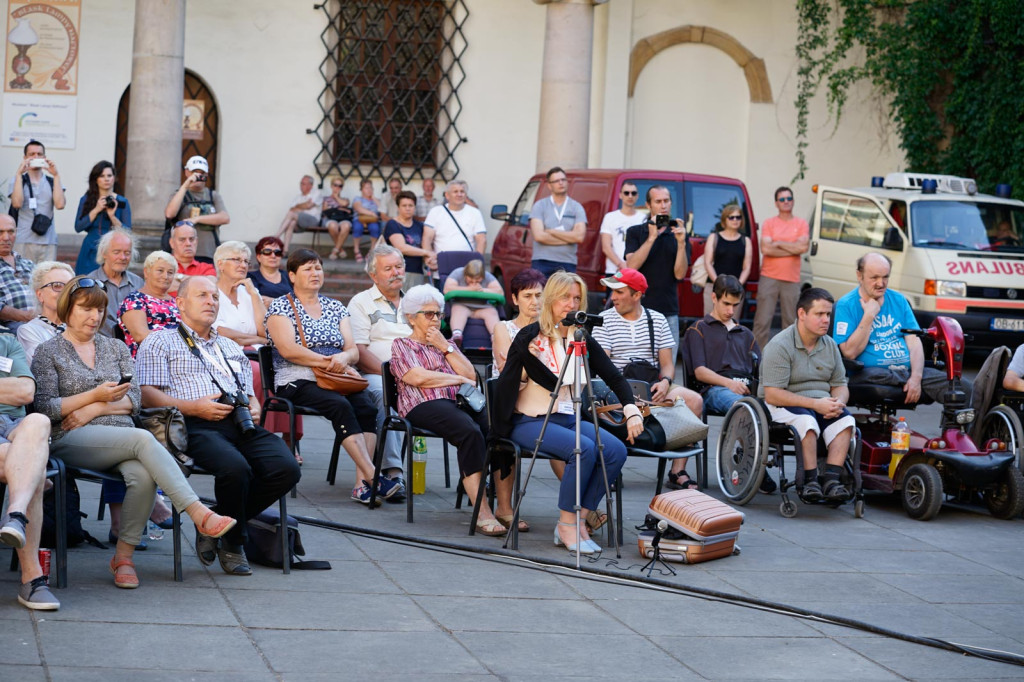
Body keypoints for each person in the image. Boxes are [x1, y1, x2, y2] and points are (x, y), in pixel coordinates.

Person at [32, 276, 237, 588]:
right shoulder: (48, 352)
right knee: (143, 439)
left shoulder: (115, 347)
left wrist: (94, 408)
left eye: (99, 310)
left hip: (121, 438)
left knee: (142, 475)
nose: (94, 317)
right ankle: (198, 512)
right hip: (69, 438)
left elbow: (136, 401)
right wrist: (95, 396)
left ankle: (123, 558)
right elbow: (45, 408)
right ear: (67, 309)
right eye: (86, 309)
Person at [137, 276, 301, 576]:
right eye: (202, 295)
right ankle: (234, 543)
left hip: (239, 422)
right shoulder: (160, 340)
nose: (211, 301)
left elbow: (246, 390)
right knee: (235, 468)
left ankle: (215, 524)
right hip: (190, 424)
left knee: (287, 468)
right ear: (181, 303)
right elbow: (147, 395)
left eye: (214, 297)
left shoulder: (228, 345)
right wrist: (192, 406)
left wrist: (252, 402)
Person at [495, 272, 642, 554]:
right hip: (529, 420)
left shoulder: (581, 337)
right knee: (583, 449)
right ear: (550, 299)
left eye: (577, 298)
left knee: (614, 450)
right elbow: (546, 381)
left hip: (567, 418)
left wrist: (632, 409)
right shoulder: (530, 336)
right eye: (565, 297)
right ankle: (565, 523)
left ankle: (579, 519)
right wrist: (530, 357)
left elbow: (614, 376)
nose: (571, 304)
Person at [265, 250, 391, 504]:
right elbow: (288, 350)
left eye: (318, 268)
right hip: (296, 379)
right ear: (292, 275)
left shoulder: (335, 307)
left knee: (366, 406)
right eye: (308, 269)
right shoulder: (280, 306)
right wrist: (328, 362)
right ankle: (372, 475)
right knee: (339, 405)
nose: (315, 273)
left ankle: (361, 485)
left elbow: (353, 349)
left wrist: (343, 360)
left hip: (336, 376)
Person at [391, 284, 516, 535]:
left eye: (439, 314)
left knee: (500, 429)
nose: (436, 319)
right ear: (410, 318)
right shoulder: (402, 345)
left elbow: (471, 374)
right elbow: (417, 378)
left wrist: (445, 348)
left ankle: (504, 508)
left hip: (459, 402)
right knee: (468, 432)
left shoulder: (446, 344)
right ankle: (482, 512)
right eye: (429, 314)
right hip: (421, 403)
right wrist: (455, 380)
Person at [592, 268, 704, 490]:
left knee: (694, 401)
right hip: (615, 387)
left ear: (637, 295)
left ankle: (677, 470)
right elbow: (602, 365)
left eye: (619, 292)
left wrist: (666, 382)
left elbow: (668, 365)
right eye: (612, 291)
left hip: (651, 387)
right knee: (597, 402)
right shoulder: (603, 320)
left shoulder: (657, 319)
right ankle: (611, 465)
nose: (612, 297)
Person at [834, 252, 971, 403]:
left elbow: (914, 342)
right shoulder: (846, 305)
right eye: (874, 278)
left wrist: (916, 378)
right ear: (859, 276)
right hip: (871, 374)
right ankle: (906, 377)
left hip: (906, 372)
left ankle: (956, 425)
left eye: (885, 277)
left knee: (962, 387)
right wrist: (868, 316)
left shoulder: (899, 300)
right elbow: (849, 353)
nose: (881, 283)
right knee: (873, 374)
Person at [759, 287, 855, 502]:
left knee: (846, 420)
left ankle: (832, 480)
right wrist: (815, 404)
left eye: (828, 314)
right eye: (819, 314)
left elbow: (840, 384)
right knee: (806, 420)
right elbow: (773, 394)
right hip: (785, 402)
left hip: (820, 402)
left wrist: (838, 403)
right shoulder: (780, 345)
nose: (826, 320)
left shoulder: (830, 345)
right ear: (802, 314)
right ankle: (809, 481)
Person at [682, 275, 775, 494]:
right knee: (747, 407)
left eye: (735, 305)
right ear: (713, 297)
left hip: (746, 390)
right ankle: (754, 466)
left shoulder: (745, 334)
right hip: (714, 389)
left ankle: (752, 462)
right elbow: (699, 371)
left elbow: (761, 370)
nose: (731, 310)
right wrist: (729, 383)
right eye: (726, 304)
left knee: (763, 407)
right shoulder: (699, 329)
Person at [0, 333, 60, 609]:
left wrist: (15, 389)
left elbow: (25, 392)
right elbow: (16, 389)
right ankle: (32, 578)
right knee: (32, 470)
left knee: (37, 420)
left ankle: (15, 514)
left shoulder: (7, 341)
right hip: (14, 444)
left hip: (15, 426)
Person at [348, 245, 412, 497]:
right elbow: (360, 352)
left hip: (419, 376)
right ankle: (393, 471)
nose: (395, 273)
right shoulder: (361, 302)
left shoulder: (415, 301)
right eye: (388, 269)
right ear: (374, 276)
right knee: (384, 395)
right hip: (377, 374)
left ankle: (477, 478)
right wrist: (394, 376)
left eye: (399, 267)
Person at [624, 185, 690, 354]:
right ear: (648, 205)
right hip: (639, 309)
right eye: (658, 201)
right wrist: (652, 237)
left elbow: (680, 274)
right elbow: (631, 267)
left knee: (667, 370)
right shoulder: (636, 232)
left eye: (666, 201)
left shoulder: (678, 234)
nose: (663, 205)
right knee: (639, 365)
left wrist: (681, 243)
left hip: (668, 311)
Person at [752, 187, 809, 350]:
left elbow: (803, 248)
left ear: (793, 200)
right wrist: (792, 247)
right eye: (782, 199)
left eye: (789, 198)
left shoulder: (801, 223)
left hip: (792, 279)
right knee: (762, 321)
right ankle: (756, 360)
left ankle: (787, 358)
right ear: (776, 203)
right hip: (769, 276)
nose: (786, 202)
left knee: (791, 322)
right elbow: (766, 249)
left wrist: (778, 243)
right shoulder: (770, 223)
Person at [6, 139, 65, 264]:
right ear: (25, 157)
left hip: (48, 241)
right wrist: (18, 174)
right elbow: (17, 203)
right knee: (24, 279)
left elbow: (60, 205)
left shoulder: (51, 180)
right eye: (31, 154)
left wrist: (56, 175)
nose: (35, 157)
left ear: (44, 157)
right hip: (23, 240)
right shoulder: (18, 180)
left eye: (39, 154)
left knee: (46, 279)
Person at [164, 156, 229, 259]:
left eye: (201, 173)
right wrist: (186, 185)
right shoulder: (179, 194)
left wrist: (196, 219)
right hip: (182, 255)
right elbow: (169, 214)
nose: (198, 176)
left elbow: (225, 218)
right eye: (194, 172)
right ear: (187, 172)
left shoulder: (213, 195)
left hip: (208, 252)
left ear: (206, 174)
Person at [118, 251, 180, 357]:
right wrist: (178, 343)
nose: (165, 276)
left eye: (170, 272)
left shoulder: (177, 302)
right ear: (146, 272)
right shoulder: (135, 300)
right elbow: (141, 336)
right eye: (160, 271)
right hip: (149, 359)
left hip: (181, 358)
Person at [73, 161, 131, 275]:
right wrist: (96, 209)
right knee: (86, 284)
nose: (106, 179)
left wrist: (112, 216)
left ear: (114, 178)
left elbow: (127, 232)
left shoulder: (122, 202)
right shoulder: (86, 200)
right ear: (96, 179)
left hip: (112, 249)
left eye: (109, 175)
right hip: (90, 248)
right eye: (102, 176)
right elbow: (78, 227)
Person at [529, 167, 586, 277]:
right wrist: (569, 238)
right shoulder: (540, 205)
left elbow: (579, 237)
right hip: (542, 261)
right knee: (540, 293)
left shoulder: (576, 207)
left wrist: (551, 231)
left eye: (563, 180)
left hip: (567, 262)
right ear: (549, 186)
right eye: (556, 181)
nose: (561, 183)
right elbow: (539, 236)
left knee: (565, 294)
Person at [86, 229, 143, 337]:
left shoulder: (138, 283)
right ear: (104, 253)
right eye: (116, 252)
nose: (123, 258)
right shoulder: (90, 283)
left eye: (127, 253)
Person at [17, 261, 74, 363]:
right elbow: (45, 367)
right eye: (56, 286)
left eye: (69, 287)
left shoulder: (80, 326)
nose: (65, 292)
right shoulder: (28, 331)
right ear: (40, 295)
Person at [212, 241, 267, 347]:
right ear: (220, 264)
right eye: (237, 260)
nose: (243, 265)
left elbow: (266, 332)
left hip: (258, 355)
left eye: (246, 261)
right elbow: (220, 333)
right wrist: (259, 340)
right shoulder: (211, 293)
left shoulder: (251, 292)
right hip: (227, 354)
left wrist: (254, 294)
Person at [491, 268, 546, 373]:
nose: (535, 302)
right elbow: (509, 372)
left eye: (539, 295)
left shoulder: (550, 329)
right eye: (527, 296)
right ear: (515, 299)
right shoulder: (503, 328)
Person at [702, 204, 752, 315]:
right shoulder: (714, 237)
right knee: (710, 324)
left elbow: (746, 267)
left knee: (732, 325)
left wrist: (737, 285)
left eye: (738, 217)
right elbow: (708, 263)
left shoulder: (746, 240)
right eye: (731, 217)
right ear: (725, 219)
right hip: (714, 287)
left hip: (736, 290)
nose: (735, 220)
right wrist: (719, 283)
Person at [444, 258, 503, 349]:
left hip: (482, 307)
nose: (474, 283)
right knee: (457, 309)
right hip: (463, 304)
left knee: (492, 312)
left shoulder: (488, 276)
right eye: (471, 280)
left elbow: (500, 292)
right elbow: (447, 289)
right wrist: (469, 289)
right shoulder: (457, 273)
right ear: (465, 274)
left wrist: (483, 290)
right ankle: (457, 335)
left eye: (477, 281)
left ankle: (495, 338)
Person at [423, 180, 486, 255]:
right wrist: (430, 258)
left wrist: (477, 261)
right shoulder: (435, 212)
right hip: (441, 261)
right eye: (455, 191)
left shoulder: (475, 213)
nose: (459, 194)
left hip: (468, 262)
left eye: (462, 191)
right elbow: (427, 239)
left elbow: (481, 240)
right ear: (447, 195)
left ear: (466, 195)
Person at [384, 190, 433, 287]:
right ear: (398, 207)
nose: (407, 208)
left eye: (410, 206)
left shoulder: (419, 226)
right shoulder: (392, 224)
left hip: (417, 272)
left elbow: (426, 244)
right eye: (404, 206)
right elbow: (401, 248)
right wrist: (426, 252)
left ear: (415, 207)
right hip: (397, 273)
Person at [0, 214, 37, 334]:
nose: (6, 237)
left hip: (42, 321)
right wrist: (26, 316)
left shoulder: (28, 264)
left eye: (11, 232)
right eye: (0, 232)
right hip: (11, 327)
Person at [599, 181, 640, 278]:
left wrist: (631, 265)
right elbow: (606, 246)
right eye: (626, 193)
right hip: (614, 270)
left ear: (637, 196)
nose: (630, 196)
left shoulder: (643, 218)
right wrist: (621, 264)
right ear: (620, 195)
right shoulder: (610, 217)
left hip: (636, 271)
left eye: (633, 193)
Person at [276, 175, 322, 253]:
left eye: (303, 184)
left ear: (310, 185)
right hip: (300, 222)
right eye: (301, 183)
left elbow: (309, 205)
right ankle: (285, 251)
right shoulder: (298, 197)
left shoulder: (316, 193)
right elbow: (292, 208)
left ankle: (277, 236)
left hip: (313, 220)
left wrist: (298, 207)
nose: (301, 186)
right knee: (291, 222)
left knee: (292, 214)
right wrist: (303, 206)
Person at [168, 221, 216, 295]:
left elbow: (212, 286)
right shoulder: (163, 265)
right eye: (182, 239)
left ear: (196, 241)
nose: (188, 244)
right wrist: (201, 282)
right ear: (172, 243)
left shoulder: (207, 267)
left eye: (191, 239)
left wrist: (179, 277)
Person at [248, 236, 293, 307]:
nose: (273, 256)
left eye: (277, 252)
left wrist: (273, 301)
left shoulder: (290, 276)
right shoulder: (250, 277)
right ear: (259, 257)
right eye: (267, 252)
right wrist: (289, 302)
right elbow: (256, 300)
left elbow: (301, 300)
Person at [321, 178, 352, 261]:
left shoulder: (345, 199)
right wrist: (341, 209)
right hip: (331, 219)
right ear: (331, 186)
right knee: (332, 225)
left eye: (340, 186)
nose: (337, 187)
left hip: (343, 219)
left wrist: (336, 197)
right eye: (335, 185)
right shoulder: (326, 198)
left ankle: (335, 251)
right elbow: (324, 211)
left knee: (346, 226)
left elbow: (345, 204)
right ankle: (340, 249)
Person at [351, 179, 382, 263]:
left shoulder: (376, 200)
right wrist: (371, 213)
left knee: (375, 228)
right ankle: (356, 250)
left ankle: (372, 250)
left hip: (373, 221)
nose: (369, 190)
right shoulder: (358, 198)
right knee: (357, 228)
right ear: (361, 189)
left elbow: (382, 208)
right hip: (360, 219)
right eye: (366, 188)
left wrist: (373, 198)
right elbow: (359, 208)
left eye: (371, 188)